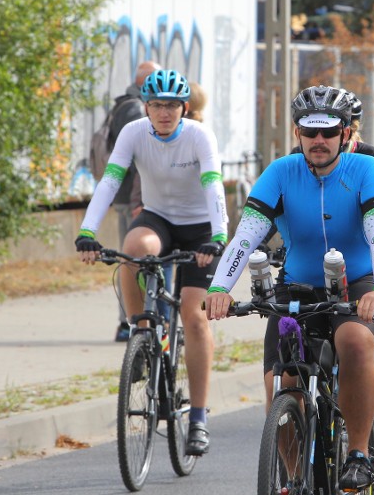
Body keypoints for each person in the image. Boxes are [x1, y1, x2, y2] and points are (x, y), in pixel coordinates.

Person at [204, 85, 374, 491]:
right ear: (298, 135)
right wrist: (220, 286)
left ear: (346, 134)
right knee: (284, 380)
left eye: (329, 132)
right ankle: (292, 479)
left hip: (360, 281)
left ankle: (359, 454)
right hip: (296, 284)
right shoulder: (281, 172)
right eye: (310, 133)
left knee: (354, 340)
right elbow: (246, 236)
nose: (319, 141)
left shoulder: (367, 169)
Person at [75, 69, 229, 455]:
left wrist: (219, 235)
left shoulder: (198, 135)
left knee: (194, 317)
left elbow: (213, 185)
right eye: (157, 104)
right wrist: (88, 231)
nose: (164, 112)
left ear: (185, 108)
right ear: (146, 106)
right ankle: (142, 331)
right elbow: (110, 180)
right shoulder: (133, 132)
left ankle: (197, 417)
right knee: (134, 246)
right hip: (159, 218)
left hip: (200, 231)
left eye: (172, 105)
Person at [108, 61, 161, 342]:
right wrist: (138, 200)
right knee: (132, 261)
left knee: (139, 261)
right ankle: (130, 322)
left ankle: (142, 321)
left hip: (132, 197)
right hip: (134, 199)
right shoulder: (133, 109)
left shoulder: (126, 104)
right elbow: (140, 159)